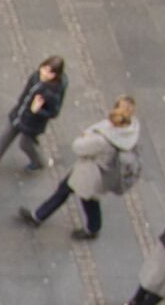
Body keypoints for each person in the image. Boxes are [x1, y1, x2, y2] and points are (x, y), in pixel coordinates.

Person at [24, 95, 141, 240]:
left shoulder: (102, 140)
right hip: (101, 173)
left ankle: (92, 229)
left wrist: (86, 136)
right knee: (68, 191)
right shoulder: (131, 129)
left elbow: (78, 147)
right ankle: (39, 216)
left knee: (86, 199)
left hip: (90, 175)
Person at [0, 55, 67, 176]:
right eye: (44, 69)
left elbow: (54, 113)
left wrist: (37, 110)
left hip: (32, 123)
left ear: (56, 75)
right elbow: (26, 93)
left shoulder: (53, 93)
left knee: (25, 144)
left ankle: (38, 163)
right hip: (19, 114)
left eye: (50, 72)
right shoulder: (36, 76)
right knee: (2, 139)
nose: (44, 74)